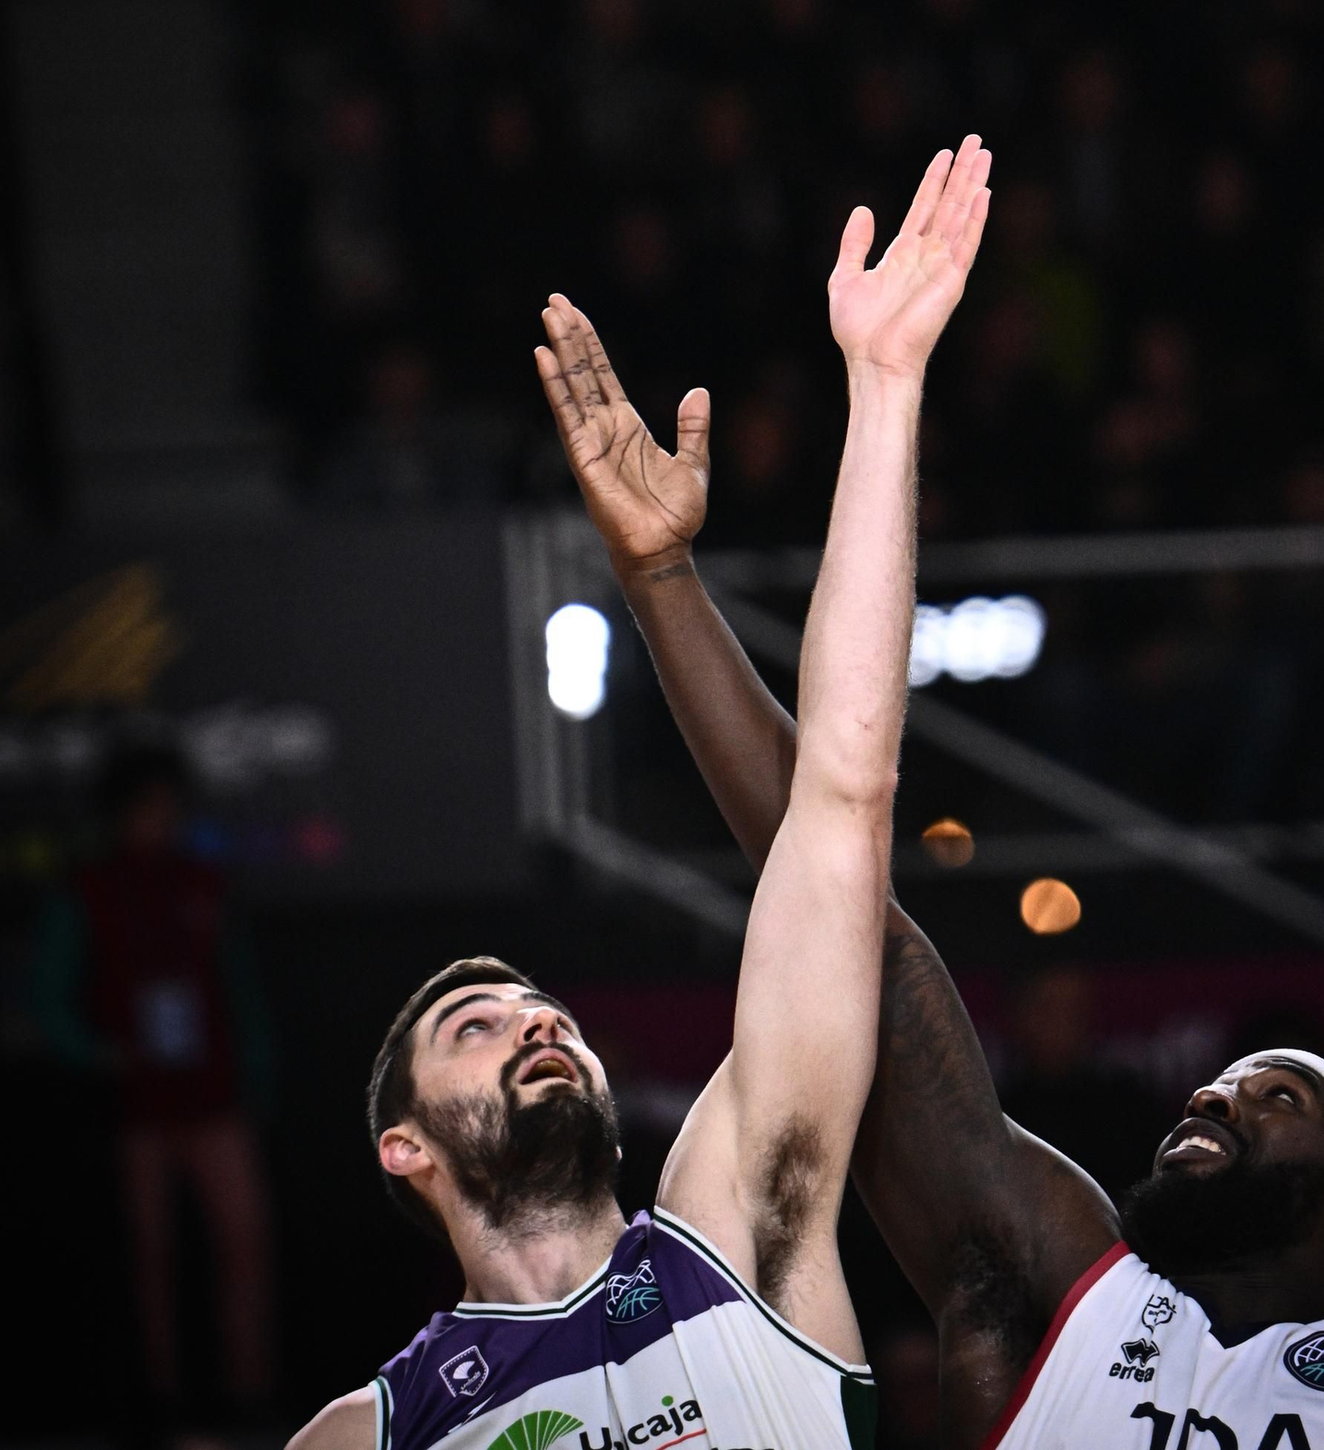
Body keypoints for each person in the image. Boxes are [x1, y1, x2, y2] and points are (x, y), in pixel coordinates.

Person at [537, 307, 1324, 1448]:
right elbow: (848, 912)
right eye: (1230, 1081)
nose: (1211, 1094)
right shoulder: (1065, 1286)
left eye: (1275, 1097)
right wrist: (657, 573)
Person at [287, 137, 992, 1450]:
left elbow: (843, 792)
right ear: (405, 1147)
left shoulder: (735, 1228)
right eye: (477, 1024)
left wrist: (885, 387)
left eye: (538, 1005)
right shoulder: (362, 1432)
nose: (534, 1020)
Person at [33, 741, 277, 1425]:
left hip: (215, 1099)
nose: (158, 820)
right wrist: (100, 1054)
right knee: (149, 1259)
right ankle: (160, 1403)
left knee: (244, 1241)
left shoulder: (204, 883)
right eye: (145, 808)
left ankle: (249, 1395)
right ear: (118, 813)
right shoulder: (88, 891)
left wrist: (254, 1077)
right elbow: (48, 1000)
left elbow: (242, 992)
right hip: (136, 1109)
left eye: (168, 806)